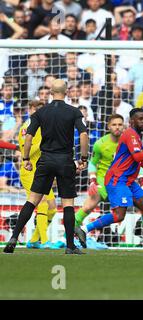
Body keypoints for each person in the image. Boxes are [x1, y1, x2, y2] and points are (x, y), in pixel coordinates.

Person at [3, 79, 89, 254]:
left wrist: (26, 158)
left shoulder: (41, 113)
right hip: (65, 160)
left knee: (32, 200)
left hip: (45, 160)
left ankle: (13, 237)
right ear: (66, 92)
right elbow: (84, 134)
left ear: (51, 92)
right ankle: (70, 246)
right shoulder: (73, 112)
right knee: (67, 205)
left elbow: (28, 137)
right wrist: (84, 158)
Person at [75, 108, 143, 252]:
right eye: (140, 119)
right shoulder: (130, 135)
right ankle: (84, 228)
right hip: (117, 179)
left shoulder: (137, 137)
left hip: (128, 180)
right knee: (119, 215)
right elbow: (139, 157)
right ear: (132, 121)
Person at [19, 101, 57, 249]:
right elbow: (25, 152)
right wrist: (44, 142)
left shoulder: (44, 128)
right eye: (36, 110)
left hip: (43, 170)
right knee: (41, 203)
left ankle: (34, 239)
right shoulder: (25, 128)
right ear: (30, 110)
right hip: (29, 171)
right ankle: (45, 241)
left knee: (52, 208)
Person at [74, 114, 124, 227]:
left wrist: (141, 180)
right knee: (88, 206)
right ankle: (68, 236)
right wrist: (93, 180)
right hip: (103, 180)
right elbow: (92, 163)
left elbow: (137, 162)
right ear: (108, 127)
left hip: (122, 181)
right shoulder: (100, 144)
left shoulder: (128, 142)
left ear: (124, 126)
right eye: (114, 124)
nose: (117, 127)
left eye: (120, 124)